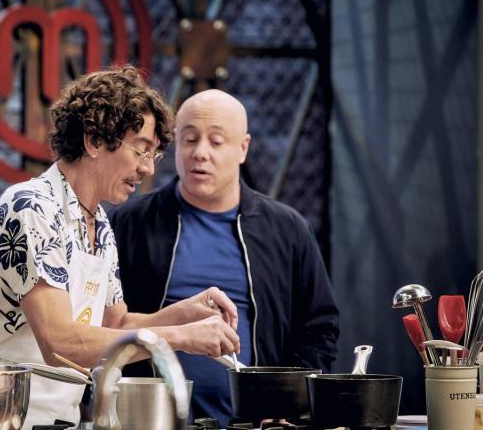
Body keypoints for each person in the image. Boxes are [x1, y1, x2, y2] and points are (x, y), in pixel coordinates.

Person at [0, 67, 241, 429]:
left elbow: (115, 324)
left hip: (58, 418)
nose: (147, 169)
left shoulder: (100, 224)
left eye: (152, 155)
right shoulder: (31, 207)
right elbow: (61, 344)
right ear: (94, 141)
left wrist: (185, 313)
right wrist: (182, 338)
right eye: (141, 150)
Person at [109, 89, 340, 425]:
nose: (200, 153)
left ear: (243, 148)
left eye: (216, 142)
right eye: (189, 140)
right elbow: (105, 323)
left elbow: (319, 329)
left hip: (258, 422)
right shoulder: (129, 222)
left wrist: (291, 404)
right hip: (149, 419)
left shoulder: (287, 230)